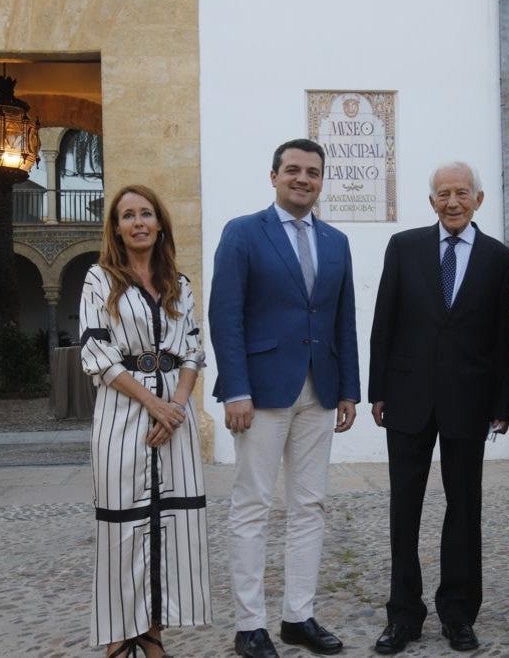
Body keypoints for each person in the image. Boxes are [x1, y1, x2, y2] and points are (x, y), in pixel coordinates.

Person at [210, 138, 361, 658]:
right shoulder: (243, 233)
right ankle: (250, 624)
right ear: (273, 176)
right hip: (260, 393)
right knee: (252, 504)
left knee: (310, 505)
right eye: (293, 170)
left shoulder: (337, 242)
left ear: (322, 181)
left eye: (313, 172)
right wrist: (235, 388)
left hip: (320, 389)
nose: (303, 179)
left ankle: (299, 615)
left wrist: (348, 389)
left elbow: (343, 318)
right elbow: (224, 315)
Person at [368, 162, 509, 654]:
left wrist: (502, 402)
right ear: (431, 201)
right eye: (443, 194)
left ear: (478, 200)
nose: (452, 202)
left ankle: (458, 613)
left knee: (465, 507)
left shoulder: (500, 259)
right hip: (407, 398)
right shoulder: (405, 247)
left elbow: (504, 338)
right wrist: (378, 390)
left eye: (461, 193)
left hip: (468, 402)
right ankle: (403, 614)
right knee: (403, 508)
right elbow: (384, 319)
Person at [78, 184, 211, 657]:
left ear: (159, 224)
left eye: (146, 214)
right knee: (122, 525)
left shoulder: (181, 283)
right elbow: (97, 353)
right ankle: (119, 635)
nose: (138, 222)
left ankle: (152, 632)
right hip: (122, 415)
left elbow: (194, 350)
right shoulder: (99, 279)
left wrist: (174, 408)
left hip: (174, 418)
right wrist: (153, 406)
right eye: (128, 215)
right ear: (115, 226)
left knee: (170, 528)